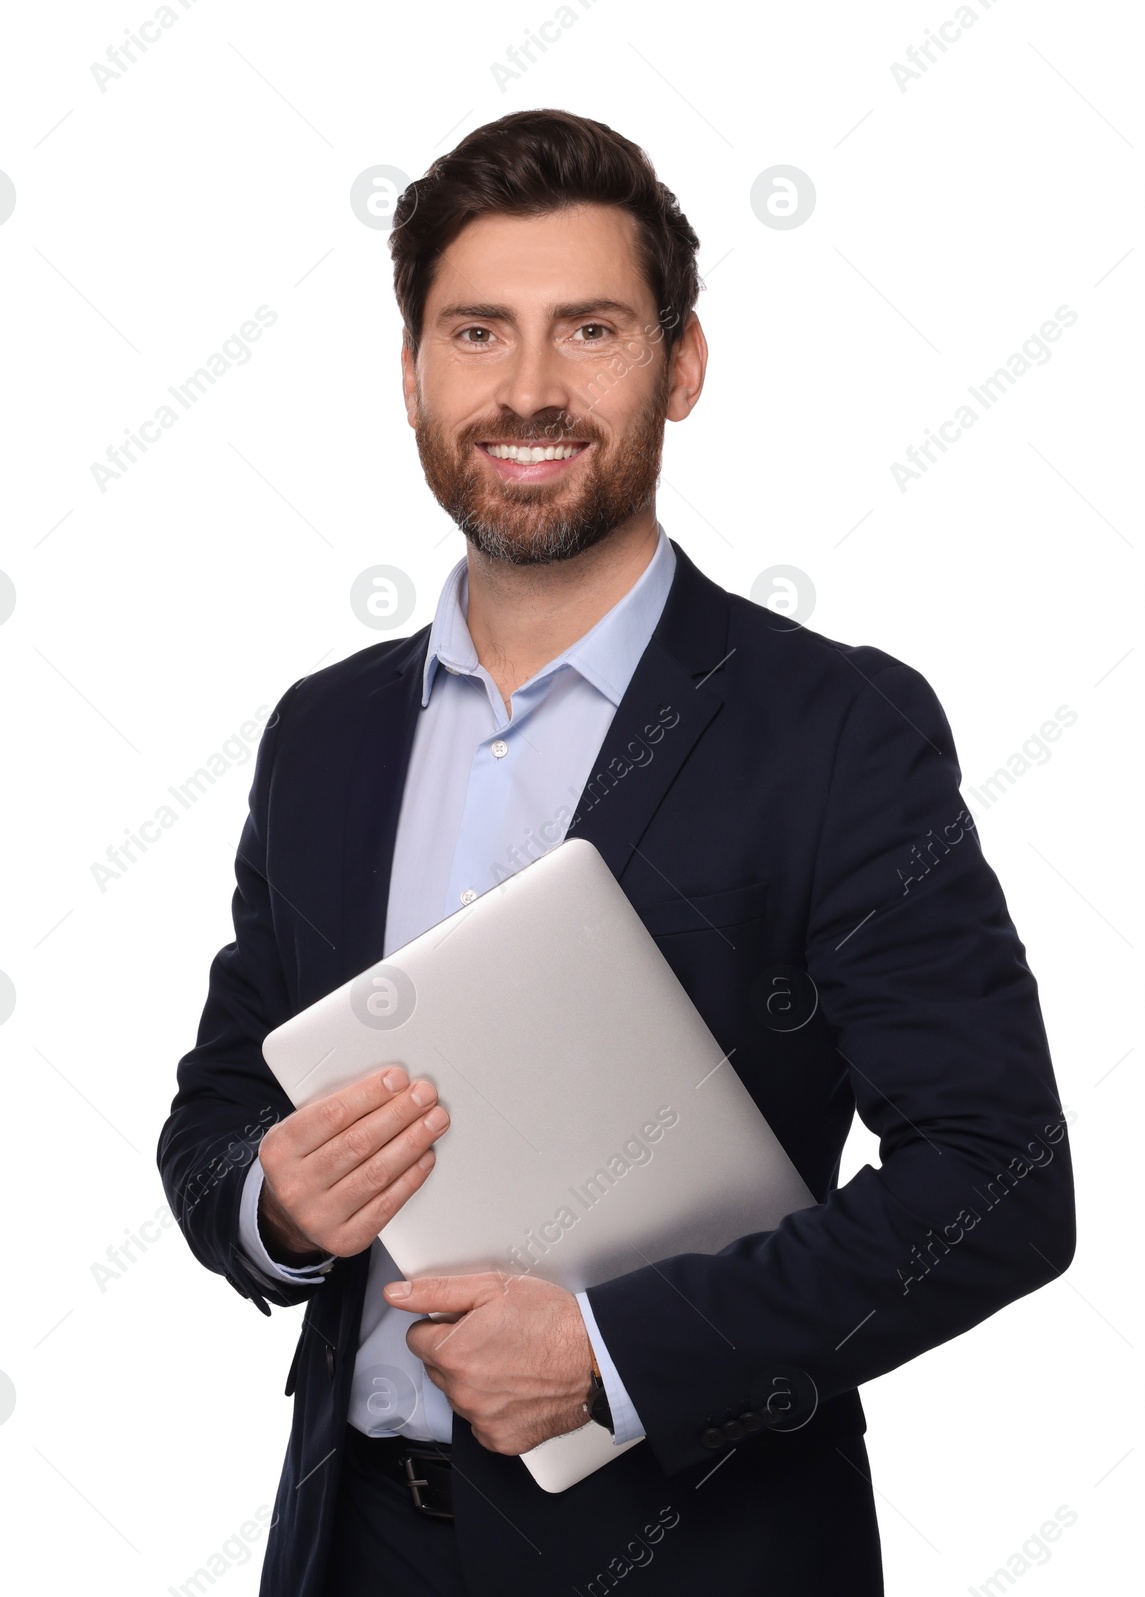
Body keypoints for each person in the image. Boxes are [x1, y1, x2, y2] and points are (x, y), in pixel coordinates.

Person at [157, 107, 1076, 1597]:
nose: (526, 388)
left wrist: (606, 1355)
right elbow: (218, 1101)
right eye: (475, 333)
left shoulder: (835, 727)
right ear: (411, 373)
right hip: (355, 1549)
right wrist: (270, 1203)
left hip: (697, 1553)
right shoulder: (321, 737)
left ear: (681, 365)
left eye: (587, 329)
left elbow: (999, 1179)